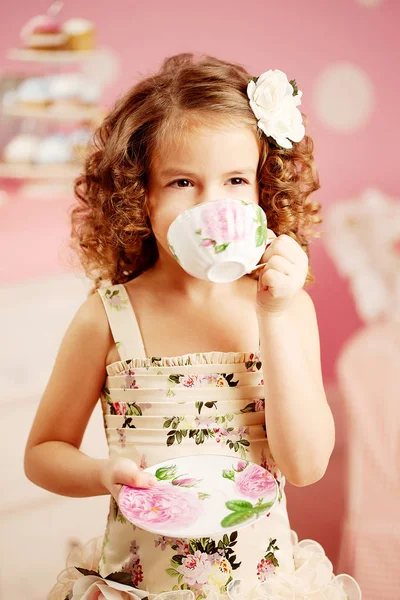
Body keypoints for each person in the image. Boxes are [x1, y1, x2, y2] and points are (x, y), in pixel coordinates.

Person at [24, 53, 362, 600]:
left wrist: (275, 314)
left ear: (261, 191)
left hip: (261, 585)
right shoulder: (107, 316)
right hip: (137, 586)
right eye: (182, 181)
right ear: (140, 194)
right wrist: (101, 473)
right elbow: (42, 452)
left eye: (235, 180)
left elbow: (304, 466)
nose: (213, 204)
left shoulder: (287, 308)